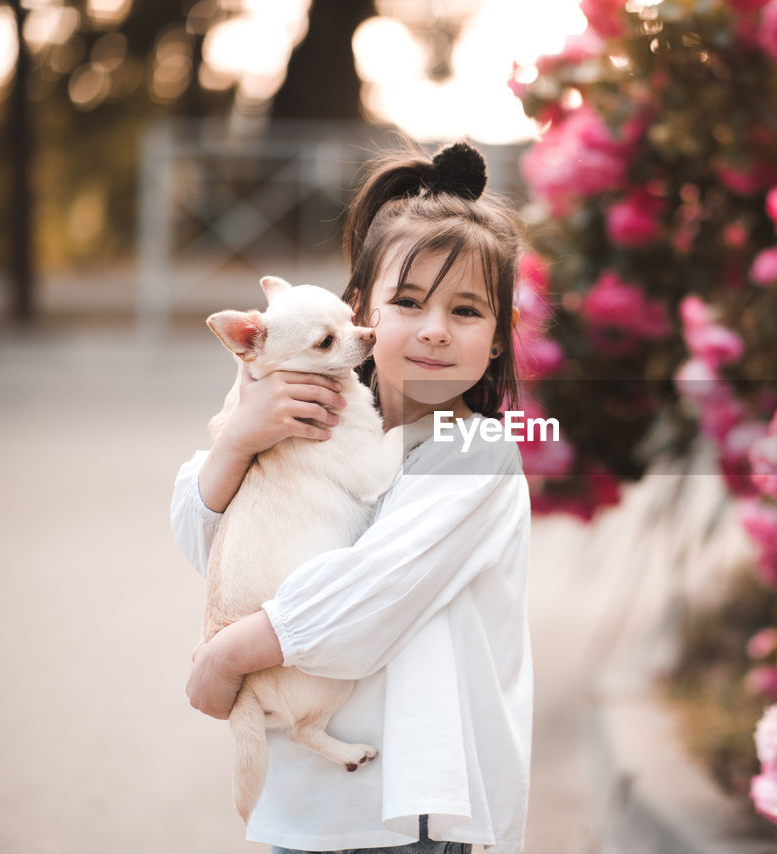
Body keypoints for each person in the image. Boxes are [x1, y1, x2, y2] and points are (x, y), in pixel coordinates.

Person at [169, 142, 532, 854]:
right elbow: (208, 542)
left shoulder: (476, 453)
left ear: (496, 341)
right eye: (407, 302)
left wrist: (225, 657)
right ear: (359, 309)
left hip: (419, 810)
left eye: (466, 311)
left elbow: (372, 594)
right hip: (306, 803)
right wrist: (237, 440)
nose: (433, 329)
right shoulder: (301, 403)